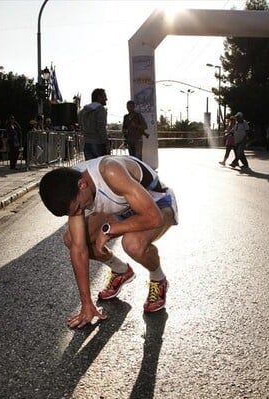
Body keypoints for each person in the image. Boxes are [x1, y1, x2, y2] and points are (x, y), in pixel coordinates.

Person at [39, 155, 178, 329]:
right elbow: (79, 249)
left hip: (157, 204)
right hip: (123, 209)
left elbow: (153, 218)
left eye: (78, 208)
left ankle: (158, 279)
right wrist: (86, 303)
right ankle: (121, 271)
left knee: (132, 244)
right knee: (71, 239)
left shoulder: (110, 171)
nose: (79, 212)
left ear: (82, 185)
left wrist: (111, 229)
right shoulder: (72, 186)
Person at [79, 88, 109, 160]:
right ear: (99, 97)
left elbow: (80, 124)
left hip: (87, 143)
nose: (106, 99)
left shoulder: (83, 111)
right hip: (98, 143)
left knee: (90, 167)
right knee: (100, 167)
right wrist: (106, 141)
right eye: (104, 96)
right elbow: (101, 127)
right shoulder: (100, 109)